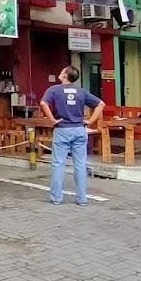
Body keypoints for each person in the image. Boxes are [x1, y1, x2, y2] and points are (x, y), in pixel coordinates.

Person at [39, 66, 104, 205]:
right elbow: (101, 104)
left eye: (62, 71)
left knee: (58, 163)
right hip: (80, 129)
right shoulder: (81, 91)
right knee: (80, 164)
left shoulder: (54, 90)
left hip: (62, 129)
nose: (60, 72)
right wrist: (91, 121)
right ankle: (81, 199)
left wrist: (52, 120)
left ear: (64, 75)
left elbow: (43, 103)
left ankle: (56, 198)